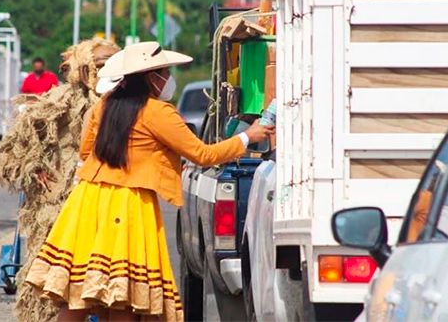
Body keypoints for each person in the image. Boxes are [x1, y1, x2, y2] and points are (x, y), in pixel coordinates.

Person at [24, 42, 274, 321]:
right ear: (150, 77)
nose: (168, 78)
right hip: (128, 204)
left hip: (87, 200)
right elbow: (203, 154)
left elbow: (86, 151)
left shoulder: (105, 105)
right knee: (125, 298)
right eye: (164, 72)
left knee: (77, 296)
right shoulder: (158, 112)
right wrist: (247, 137)